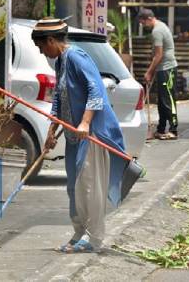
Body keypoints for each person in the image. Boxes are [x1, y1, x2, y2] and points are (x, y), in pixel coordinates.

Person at [32, 18, 127, 253]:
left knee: (88, 186)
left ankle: (93, 238)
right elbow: (58, 98)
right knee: (73, 186)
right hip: (74, 134)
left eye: (42, 46)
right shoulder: (61, 61)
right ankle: (79, 232)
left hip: (91, 132)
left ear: (52, 40)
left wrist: (85, 122)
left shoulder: (76, 56)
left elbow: (96, 89)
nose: (42, 51)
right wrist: (51, 132)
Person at [138, 9, 179, 140]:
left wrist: (149, 72)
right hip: (162, 69)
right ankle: (161, 129)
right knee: (162, 101)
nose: (144, 26)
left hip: (167, 68)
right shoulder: (160, 25)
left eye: (143, 23)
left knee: (168, 100)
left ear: (149, 19)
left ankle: (173, 130)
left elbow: (159, 55)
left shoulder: (157, 31)